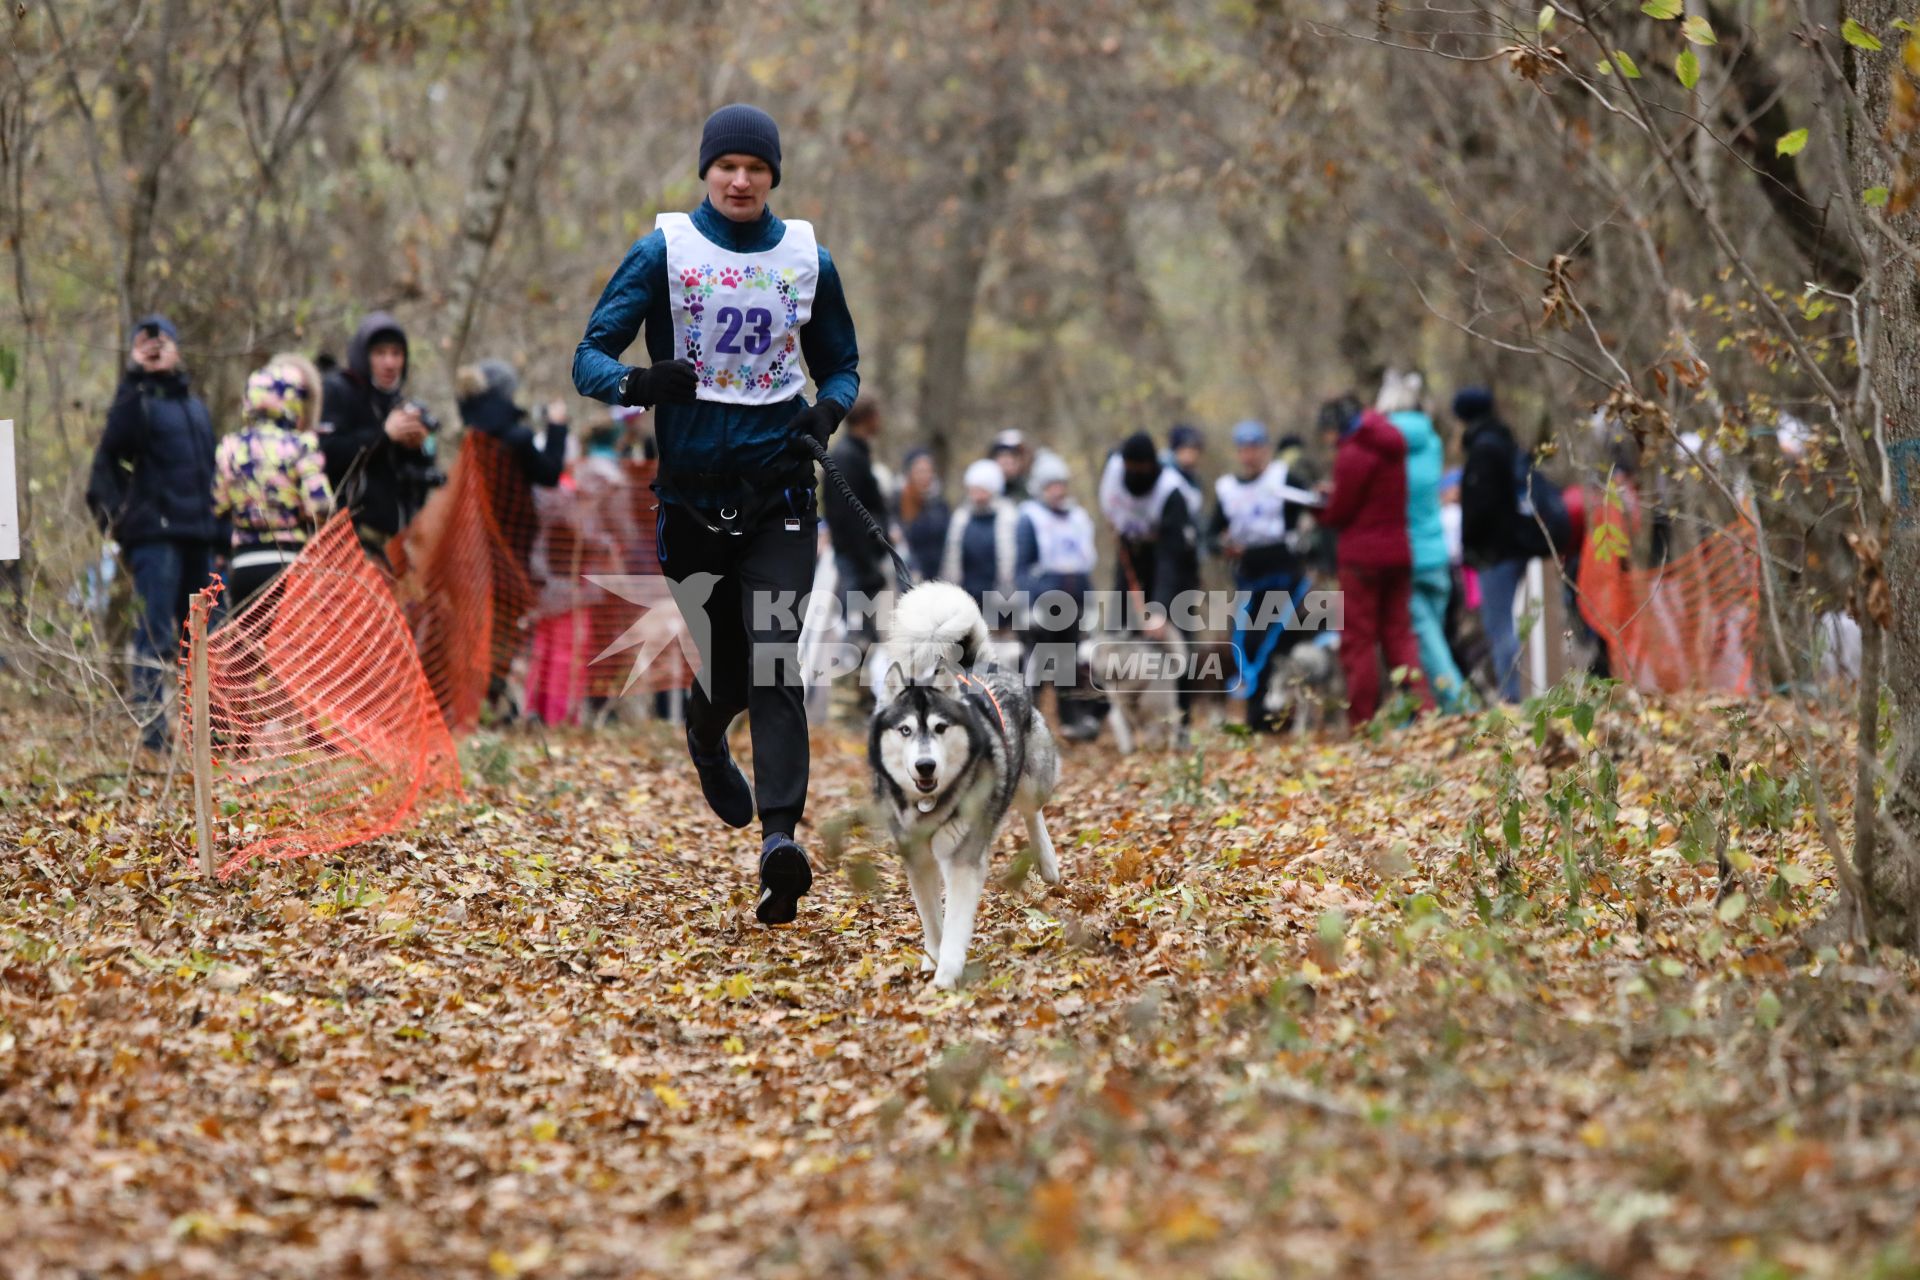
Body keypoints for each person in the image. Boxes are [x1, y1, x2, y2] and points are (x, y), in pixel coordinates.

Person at [572, 102, 860, 925]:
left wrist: (825, 414)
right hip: (691, 505)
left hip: (779, 496)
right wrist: (637, 384)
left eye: (755, 168)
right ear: (707, 172)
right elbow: (588, 356)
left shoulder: (809, 259)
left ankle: (779, 841)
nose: (740, 180)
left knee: (775, 657)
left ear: (773, 177)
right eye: (726, 166)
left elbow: (841, 364)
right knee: (727, 670)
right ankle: (705, 737)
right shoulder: (664, 249)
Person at [85, 314, 223, 750]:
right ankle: (153, 736)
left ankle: (214, 732)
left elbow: (212, 475)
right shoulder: (135, 402)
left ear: (179, 348)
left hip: (199, 536)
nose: (156, 348)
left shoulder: (195, 408)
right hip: (155, 538)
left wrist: (220, 535)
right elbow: (112, 451)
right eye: (146, 343)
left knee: (207, 634)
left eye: (163, 341)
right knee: (153, 633)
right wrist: (133, 375)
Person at [1319, 402, 1434, 728]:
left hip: (1361, 561)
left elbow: (1339, 512)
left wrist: (1320, 508)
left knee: (1359, 641)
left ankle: (1363, 724)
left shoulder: (1352, 454)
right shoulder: (1393, 447)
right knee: (1400, 636)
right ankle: (1425, 714)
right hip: (1399, 553)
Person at [1210, 419, 1320, 731]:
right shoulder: (1227, 489)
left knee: (1281, 648)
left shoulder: (1284, 479)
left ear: (1266, 449)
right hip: (1249, 583)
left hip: (1287, 581)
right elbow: (1211, 534)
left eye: (1255, 448)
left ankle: (1284, 716)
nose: (1250, 456)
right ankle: (1257, 718)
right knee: (1250, 646)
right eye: (1244, 449)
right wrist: (1222, 545)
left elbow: (1316, 508)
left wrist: (1309, 547)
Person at [1377, 371, 1469, 713]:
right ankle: (1416, 716)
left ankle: (1465, 708)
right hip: (1438, 555)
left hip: (1407, 558)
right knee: (1425, 642)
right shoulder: (1431, 441)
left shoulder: (1386, 446)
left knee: (1428, 647)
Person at [1098, 430, 1203, 730]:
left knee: (1176, 640)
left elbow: (1171, 559)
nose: (1134, 474)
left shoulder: (1172, 493)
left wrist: (1160, 609)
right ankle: (1127, 715)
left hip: (1172, 562)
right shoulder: (1113, 475)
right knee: (1119, 633)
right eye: (1130, 467)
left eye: (1141, 469)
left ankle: (1179, 720)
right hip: (1131, 556)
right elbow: (1112, 518)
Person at [319, 312, 440, 562]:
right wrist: (384, 435)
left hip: (393, 544)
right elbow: (326, 454)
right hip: (348, 542)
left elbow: (412, 478)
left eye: (397, 354)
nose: (390, 363)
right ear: (363, 355)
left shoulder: (396, 402)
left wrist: (416, 447)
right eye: (380, 353)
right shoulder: (338, 390)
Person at [213, 362, 333, 605]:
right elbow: (320, 507)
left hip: (243, 565)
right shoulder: (300, 445)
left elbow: (218, 506)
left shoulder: (230, 447)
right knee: (289, 642)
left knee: (247, 642)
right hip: (289, 564)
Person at [1015, 452, 1098, 740]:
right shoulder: (1030, 517)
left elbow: (1084, 565)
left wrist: (1090, 605)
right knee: (1036, 668)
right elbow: (1022, 566)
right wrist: (1027, 605)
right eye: (1051, 485)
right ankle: (1026, 724)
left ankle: (1071, 722)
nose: (1058, 491)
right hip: (1043, 603)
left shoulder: (1077, 518)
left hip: (1072, 602)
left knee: (1068, 666)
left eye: (1061, 484)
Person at [1454, 386, 1530, 701]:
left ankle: (1513, 697)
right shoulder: (1504, 441)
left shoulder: (1483, 450)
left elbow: (1481, 507)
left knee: (1499, 627)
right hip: (1513, 546)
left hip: (1495, 552)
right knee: (1507, 624)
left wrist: (1470, 542)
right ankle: (1515, 691)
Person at [822, 397, 889, 649]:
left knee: (866, 632)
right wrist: (866, 561)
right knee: (856, 633)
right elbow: (846, 516)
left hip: (862, 558)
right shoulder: (847, 457)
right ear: (867, 418)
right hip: (855, 559)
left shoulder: (857, 454)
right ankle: (850, 681)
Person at [942, 458, 1018, 615]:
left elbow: (1013, 559)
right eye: (973, 489)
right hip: (967, 592)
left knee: (1001, 637)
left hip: (1000, 594)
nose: (976, 495)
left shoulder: (1008, 516)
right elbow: (951, 557)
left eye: (981, 489)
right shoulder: (961, 517)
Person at [896, 447, 950, 584]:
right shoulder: (899, 502)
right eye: (920, 471)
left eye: (928, 470)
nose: (924, 476)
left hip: (938, 575)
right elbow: (900, 541)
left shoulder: (940, 504)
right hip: (911, 575)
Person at [991, 429, 1032, 502]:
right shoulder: (986, 490)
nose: (1008, 461)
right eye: (1003, 456)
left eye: (1013, 456)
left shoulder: (1030, 488)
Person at [1166, 422, 1205, 489]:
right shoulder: (1165, 475)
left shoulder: (1193, 479)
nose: (1190, 455)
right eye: (1186, 449)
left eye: (1194, 450)